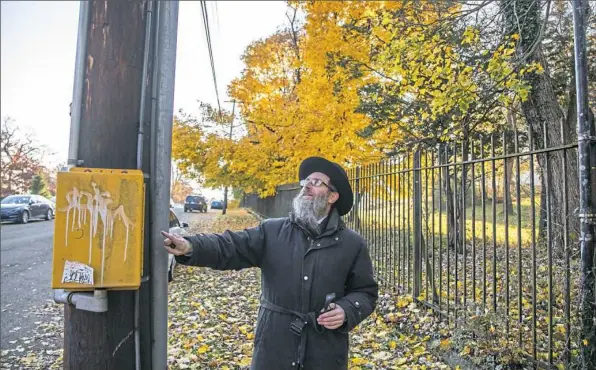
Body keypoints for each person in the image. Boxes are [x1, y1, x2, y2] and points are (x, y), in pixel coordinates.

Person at [162, 156, 378, 369]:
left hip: (325, 351)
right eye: (305, 182)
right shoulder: (272, 231)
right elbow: (230, 245)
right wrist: (190, 246)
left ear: (332, 197)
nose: (306, 187)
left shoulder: (352, 244)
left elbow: (366, 292)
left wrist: (347, 310)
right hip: (275, 346)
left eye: (316, 182)